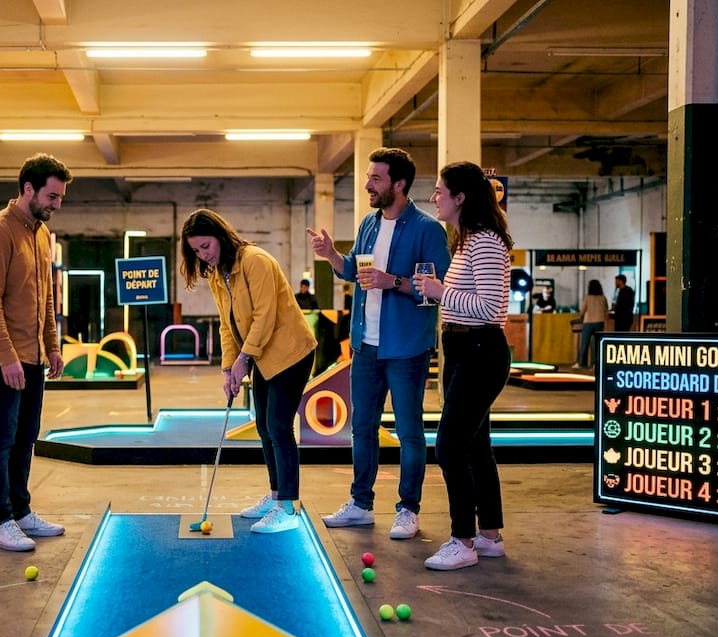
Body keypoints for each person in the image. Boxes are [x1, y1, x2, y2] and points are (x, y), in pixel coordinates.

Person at [308, 147, 451, 540]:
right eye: (369, 177)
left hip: (406, 348)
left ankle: (408, 509)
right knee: (362, 428)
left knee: (408, 432)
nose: (368, 185)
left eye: (376, 179)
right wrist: (332, 256)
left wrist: (395, 283)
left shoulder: (427, 230)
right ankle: (360, 504)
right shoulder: (369, 224)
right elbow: (356, 272)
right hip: (365, 346)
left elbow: (438, 291)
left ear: (399, 184)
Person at [181, 209, 317, 533]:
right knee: (264, 428)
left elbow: (265, 317)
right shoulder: (217, 275)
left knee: (279, 427)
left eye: (206, 246)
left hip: (291, 353)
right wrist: (229, 368)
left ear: (220, 236)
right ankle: (275, 496)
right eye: (197, 251)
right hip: (263, 358)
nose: (204, 255)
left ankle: (288, 508)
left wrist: (244, 359)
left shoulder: (254, 260)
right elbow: (228, 327)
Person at [414, 160, 513, 570]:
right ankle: (489, 534)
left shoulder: (486, 242)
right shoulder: (467, 241)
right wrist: (443, 294)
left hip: (479, 350)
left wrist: (440, 292)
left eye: (440, 191)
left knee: (450, 446)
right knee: (476, 446)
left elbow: (492, 308)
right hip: (461, 349)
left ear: (460, 197)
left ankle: (463, 540)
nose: (434, 197)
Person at [0, 153, 70, 552]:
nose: (56, 204)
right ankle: (0, 520)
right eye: (51, 195)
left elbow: (45, 296)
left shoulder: (42, 234)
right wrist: (8, 358)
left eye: (61, 197)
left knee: (26, 435)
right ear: (27, 189)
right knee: (2, 438)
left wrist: (52, 345)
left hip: (32, 355)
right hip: (0, 355)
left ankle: (21, 511)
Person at [575, 279, 608, 369]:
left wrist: (580, 317)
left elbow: (582, 311)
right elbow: (606, 310)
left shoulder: (587, 297)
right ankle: (595, 364)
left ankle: (581, 363)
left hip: (588, 322)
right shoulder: (603, 298)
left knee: (584, 344)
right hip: (599, 322)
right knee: (596, 345)